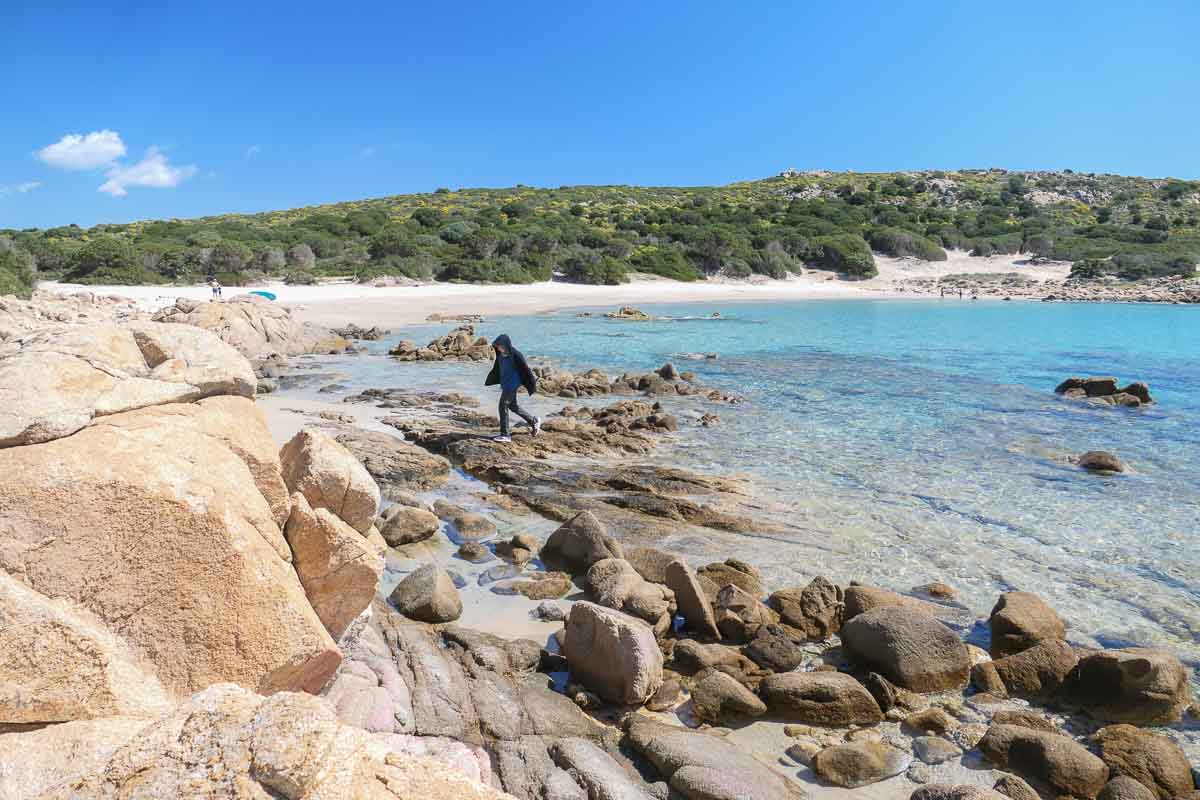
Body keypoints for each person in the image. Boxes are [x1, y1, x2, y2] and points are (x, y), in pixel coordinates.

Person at [485, 334, 540, 442]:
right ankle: (533, 421)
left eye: (500, 346)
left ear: (506, 344)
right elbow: (498, 369)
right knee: (513, 406)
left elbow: (525, 369)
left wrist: (531, 383)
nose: (499, 348)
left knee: (503, 405)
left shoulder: (515, 354)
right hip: (506, 385)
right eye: (497, 346)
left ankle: (505, 435)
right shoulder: (500, 355)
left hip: (513, 384)